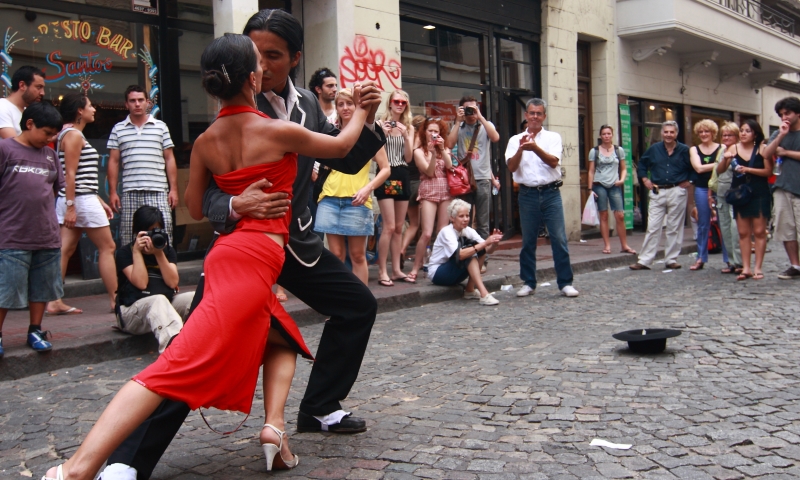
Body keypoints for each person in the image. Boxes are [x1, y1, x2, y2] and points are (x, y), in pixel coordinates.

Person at [41, 32, 373, 480]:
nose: (267, 65)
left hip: (238, 255)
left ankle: (278, 430)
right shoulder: (276, 130)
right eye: (260, 58)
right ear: (253, 77)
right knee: (175, 365)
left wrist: (236, 198)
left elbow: (192, 209)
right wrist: (364, 112)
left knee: (282, 338)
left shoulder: (205, 141)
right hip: (253, 258)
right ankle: (80, 469)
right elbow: (336, 147)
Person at [0, 102, 64, 359]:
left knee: (42, 287)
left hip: (46, 235)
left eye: (53, 135)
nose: (50, 139)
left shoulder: (49, 155)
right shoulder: (5, 149)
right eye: (47, 133)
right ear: (29, 124)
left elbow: (55, 187)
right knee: (6, 288)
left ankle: (35, 330)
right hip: (12, 234)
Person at [45, 94, 116, 316]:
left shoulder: (66, 134)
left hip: (77, 199)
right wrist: (72, 206)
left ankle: (54, 300)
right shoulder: (74, 135)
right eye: (90, 106)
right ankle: (116, 299)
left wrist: (97, 200)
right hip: (78, 199)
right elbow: (72, 175)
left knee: (64, 250)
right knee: (108, 247)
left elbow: (74, 175)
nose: (94, 109)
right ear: (79, 110)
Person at [315, 88, 390, 285]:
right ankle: (339, 305)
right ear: (337, 108)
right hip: (329, 198)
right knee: (336, 256)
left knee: (358, 256)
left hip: (357, 199)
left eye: (350, 103)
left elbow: (386, 169)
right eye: (341, 104)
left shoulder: (367, 134)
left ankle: (360, 308)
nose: (345, 108)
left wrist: (368, 188)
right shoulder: (331, 132)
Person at [505, 98, 579, 297]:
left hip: (551, 193)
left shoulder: (553, 137)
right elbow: (511, 167)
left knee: (559, 238)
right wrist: (522, 148)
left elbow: (554, 162)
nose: (535, 117)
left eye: (539, 113)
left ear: (544, 116)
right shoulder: (515, 140)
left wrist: (535, 147)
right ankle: (528, 282)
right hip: (527, 194)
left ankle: (565, 282)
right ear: (526, 116)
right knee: (528, 240)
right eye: (532, 113)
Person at [115, 206, 193, 353]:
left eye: (157, 231)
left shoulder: (167, 251)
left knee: (193, 297)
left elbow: (172, 282)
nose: (152, 237)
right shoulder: (125, 253)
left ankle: (201, 344)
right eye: (148, 232)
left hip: (163, 306)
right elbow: (141, 283)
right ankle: (175, 352)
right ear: (137, 232)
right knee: (158, 300)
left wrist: (159, 254)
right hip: (131, 313)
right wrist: (137, 252)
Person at [107, 85, 178, 246]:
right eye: (132, 101)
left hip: (158, 190)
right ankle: (132, 271)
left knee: (163, 235)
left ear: (148, 103)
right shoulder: (118, 129)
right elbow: (113, 161)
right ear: (126, 104)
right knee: (129, 238)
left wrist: (173, 189)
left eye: (140, 100)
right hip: (130, 190)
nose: (137, 104)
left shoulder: (161, 127)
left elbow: (169, 159)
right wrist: (112, 192)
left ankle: (163, 270)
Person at [630, 121, 693, 271]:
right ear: (662, 133)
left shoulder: (684, 150)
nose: (669, 135)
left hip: (676, 190)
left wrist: (690, 180)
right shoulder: (654, 149)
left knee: (674, 227)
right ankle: (644, 260)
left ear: (676, 134)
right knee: (653, 227)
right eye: (666, 132)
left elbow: (694, 167)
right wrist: (645, 179)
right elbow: (643, 164)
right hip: (658, 191)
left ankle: (671, 259)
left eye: (672, 132)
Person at [717, 119, 773, 280]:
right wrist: (726, 159)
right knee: (743, 232)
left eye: (747, 131)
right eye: (741, 130)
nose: (743, 133)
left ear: (755, 133)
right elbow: (720, 171)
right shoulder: (733, 148)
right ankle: (746, 267)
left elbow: (768, 171)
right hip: (740, 193)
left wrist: (748, 169)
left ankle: (758, 268)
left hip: (759, 192)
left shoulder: (763, 149)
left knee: (759, 231)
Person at [446, 96, 501, 240]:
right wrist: (458, 121)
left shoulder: (486, 125)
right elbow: (450, 144)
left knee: (483, 223)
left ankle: (483, 259)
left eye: (473, 108)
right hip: (464, 180)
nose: (470, 112)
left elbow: (495, 138)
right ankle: (467, 255)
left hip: (482, 178)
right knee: (464, 221)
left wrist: (480, 117)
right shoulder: (459, 126)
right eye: (467, 109)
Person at [429, 199, 502, 305]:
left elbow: (487, 250)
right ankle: (484, 294)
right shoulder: (446, 232)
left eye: (467, 216)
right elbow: (460, 255)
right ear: (452, 218)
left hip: (454, 271)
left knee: (479, 251)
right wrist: (485, 243)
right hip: (438, 273)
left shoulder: (469, 230)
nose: (466, 219)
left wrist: (494, 242)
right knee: (469, 254)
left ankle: (470, 290)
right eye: (461, 216)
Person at [376, 90, 415, 283]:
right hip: (386, 172)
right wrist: (381, 134)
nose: (400, 104)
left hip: (402, 173)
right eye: (396, 101)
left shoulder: (409, 126)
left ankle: (396, 269)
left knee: (399, 227)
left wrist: (407, 136)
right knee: (389, 227)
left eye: (403, 102)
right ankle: (383, 270)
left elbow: (408, 157)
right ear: (389, 103)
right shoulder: (380, 124)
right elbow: (375, 154)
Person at [409, 117, 454, 281]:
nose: (434, 134)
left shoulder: (445, 148)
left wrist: (442, 150)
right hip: (429, 189)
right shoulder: (419, 151)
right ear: (424, 132)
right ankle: (415, 267)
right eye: (431, 131)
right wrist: (434, 154)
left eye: (437, 131)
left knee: (442, 231)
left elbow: (449, 166)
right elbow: (429, 172)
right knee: (426, 233)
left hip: (445, 190)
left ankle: (436, 264)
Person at [762, 97, 800, 280]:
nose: (784, 117)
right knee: (786, 228)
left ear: (798, 114)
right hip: (782, 186)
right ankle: (795, 265)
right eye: (781, 114)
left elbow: (782, 153)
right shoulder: (779, 133)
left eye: (788, 113)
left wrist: (786, 153)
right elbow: (766, 153)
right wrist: (781, 136)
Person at [587, 124, 635, 255]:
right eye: (604, 134)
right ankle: (607, 245)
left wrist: (622, 179)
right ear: (600, 136)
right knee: (604, 215)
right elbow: (591, 171)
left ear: (612, 135)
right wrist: (590, 188)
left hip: (614, 185)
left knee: (620, 215)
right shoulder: (594, 151)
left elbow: (624, 168)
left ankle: (624, 245)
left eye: (608, 134)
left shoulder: (619, 150)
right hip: (599, 184)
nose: (606, 136)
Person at [689, 119, 722, 271]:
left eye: (706, 131)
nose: (703, 134)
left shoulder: (721, 148)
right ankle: (701, 257)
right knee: (703, 224)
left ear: (713, 133)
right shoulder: (694, 149)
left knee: (724, 223)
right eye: (701, 132)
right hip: (702, 188)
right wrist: (718, 164)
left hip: (720, 188)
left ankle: (729, 259)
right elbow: (699, 169)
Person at [711, 122, 742, 273]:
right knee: (725, 228)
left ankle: (740, 262)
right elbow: (717, 172)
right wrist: (712, 193)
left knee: (735, 229)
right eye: (724, 135)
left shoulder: (740, 150)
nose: (726, 138)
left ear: (736, 137)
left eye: (730, 135)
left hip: (736, 195)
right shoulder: (722, 151)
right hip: (721, 194)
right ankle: (731, 262)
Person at [398, 114, 427, 272]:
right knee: (421, 226)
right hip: (419, 184)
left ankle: (402, 249)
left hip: (406, 184)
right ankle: (420, 259)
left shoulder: (405, 139)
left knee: (411, 223)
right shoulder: (421, 142)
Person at [0, 66, 45, 139]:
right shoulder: (2, 107)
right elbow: (14, 145)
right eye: (38, 87)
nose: (42, 93)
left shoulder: (28, 111)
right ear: (22, 85)